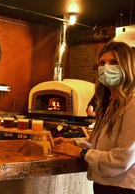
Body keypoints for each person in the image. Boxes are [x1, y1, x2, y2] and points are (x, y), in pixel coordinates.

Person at [53, 41, 135, 193]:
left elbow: (121, 159)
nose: (106, 67)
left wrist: (81, 153)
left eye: (113, 62)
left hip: (123, 188)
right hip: (103, 184)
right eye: (102, 63)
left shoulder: (133, 104)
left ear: (127, 67)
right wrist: (74, 143)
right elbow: (99, 144)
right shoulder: (110, 102)